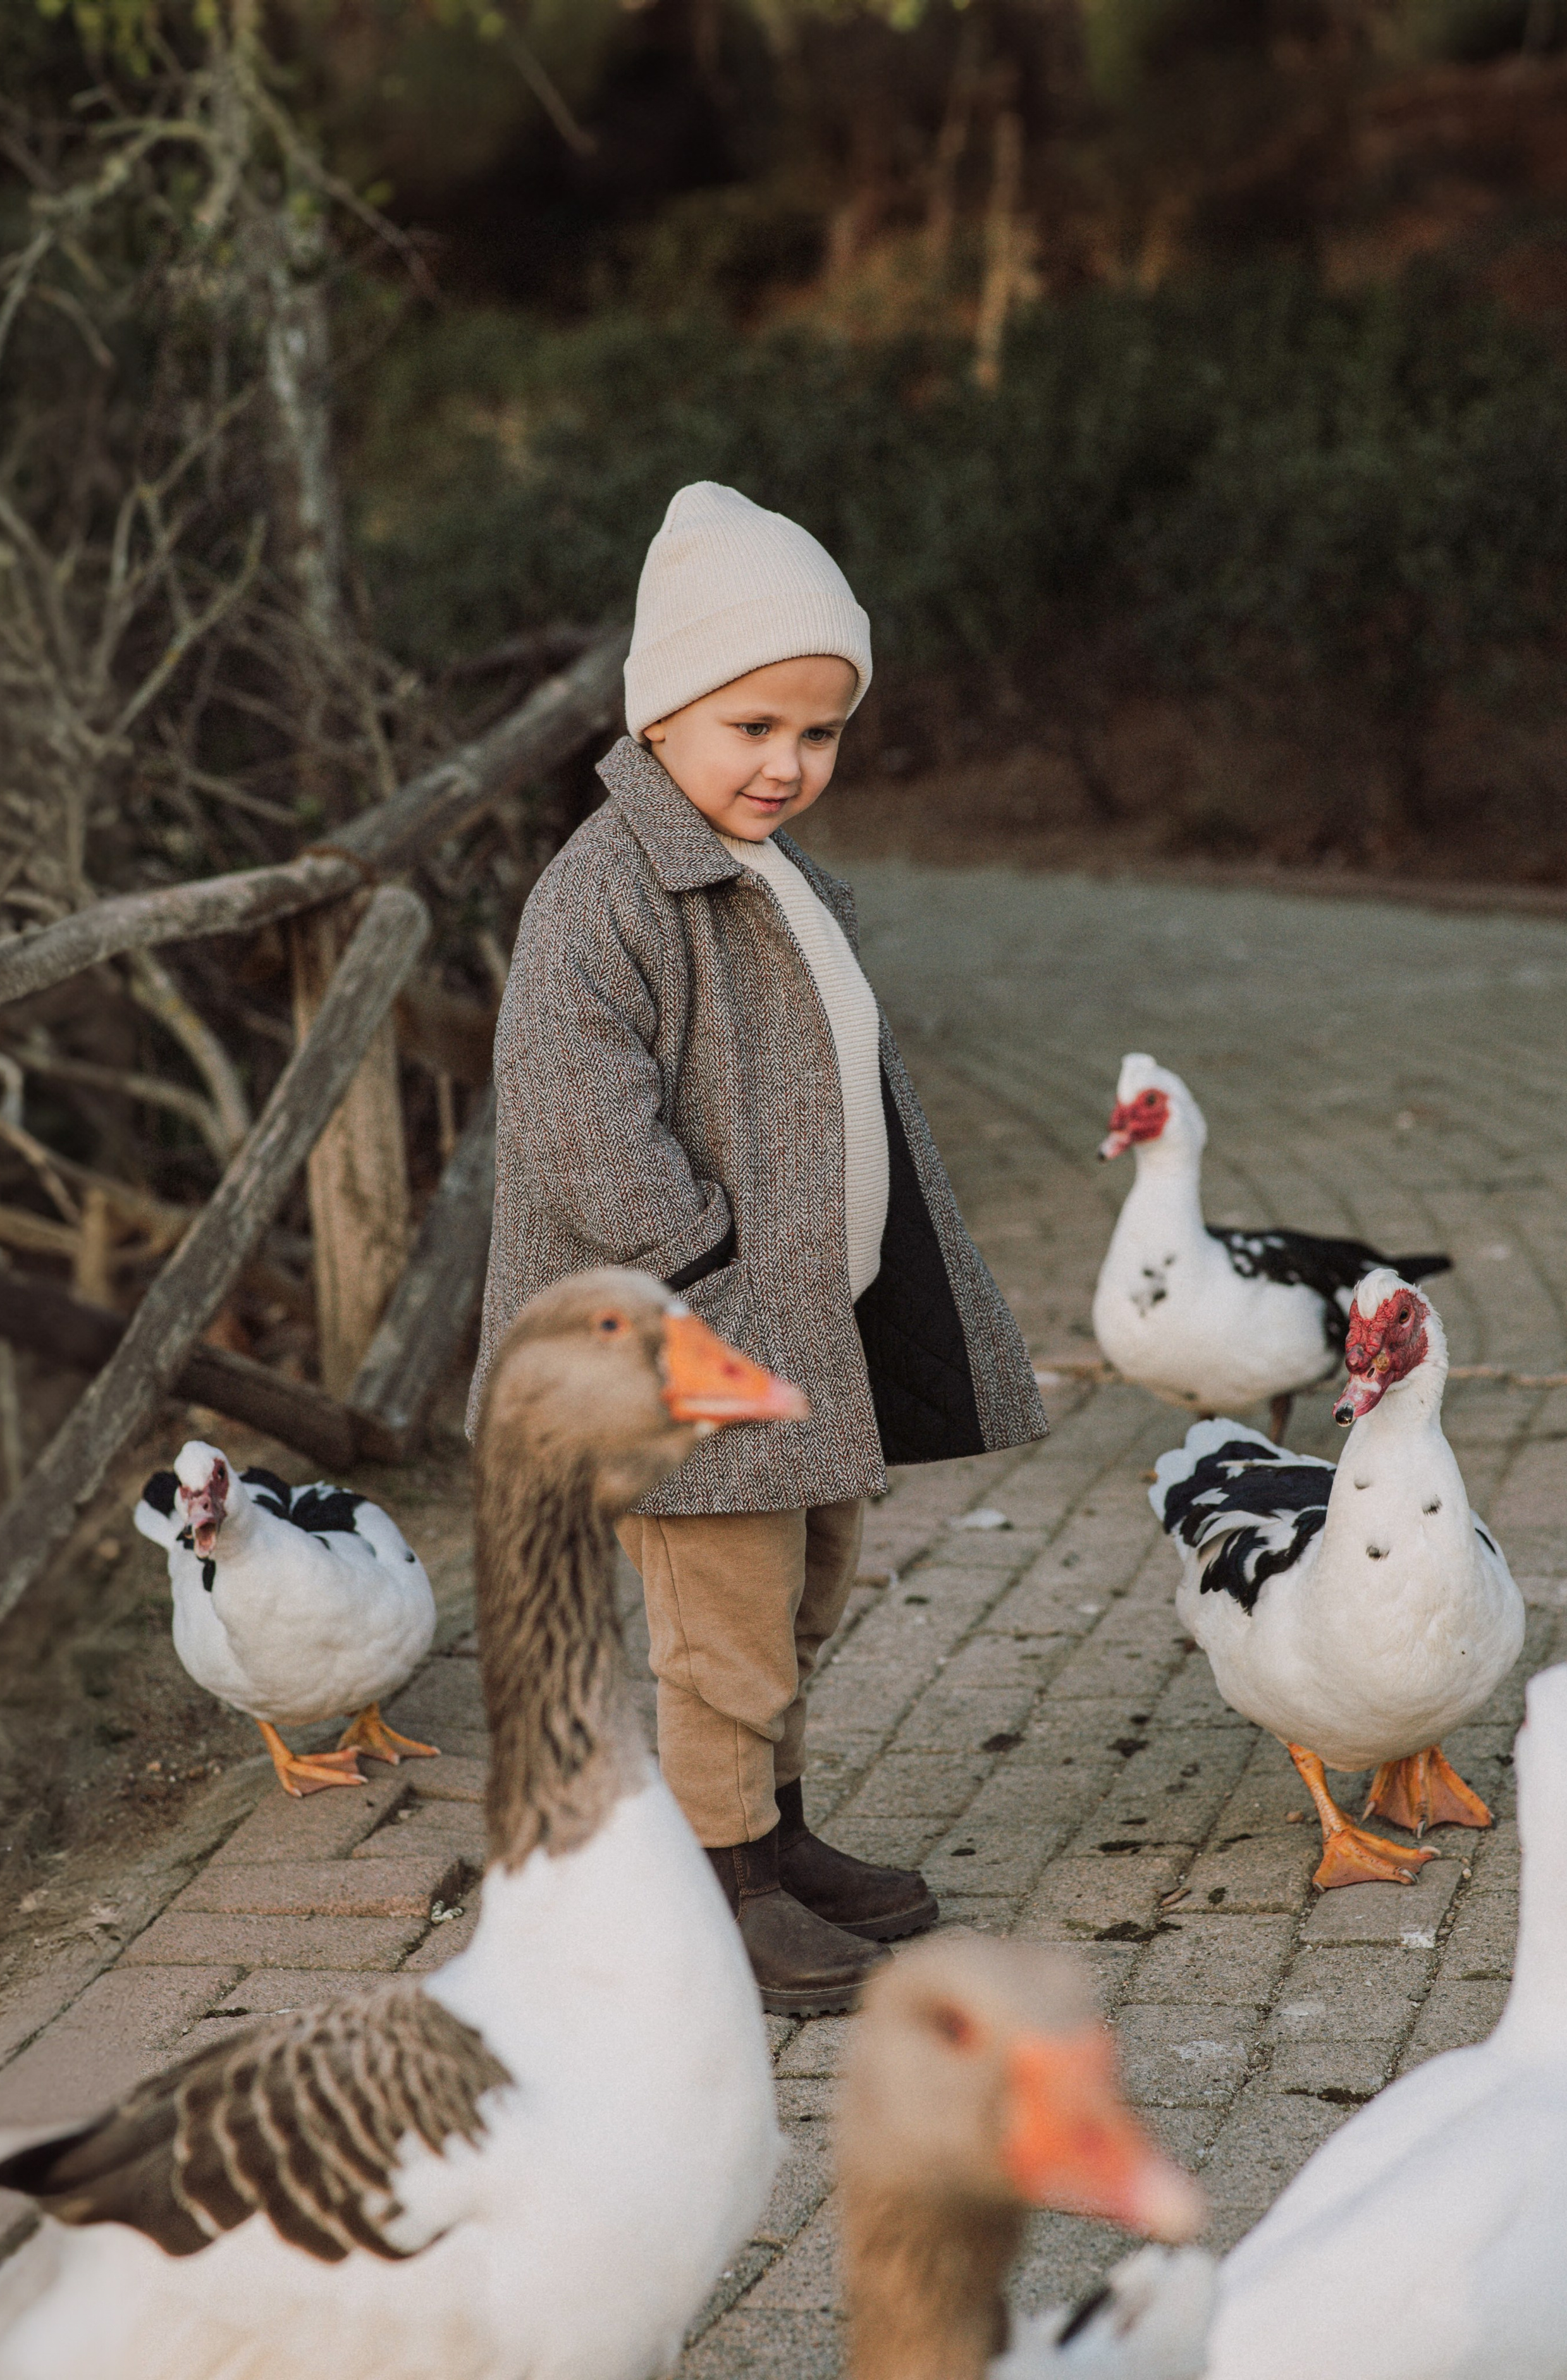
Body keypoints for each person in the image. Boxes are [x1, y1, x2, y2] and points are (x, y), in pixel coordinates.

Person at [469, 482, 1045, 2014]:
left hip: (807, 1326)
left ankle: (771, 1835)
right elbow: (577, 1112)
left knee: (795, 1596)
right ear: (661, 714)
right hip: (688, 1339)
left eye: (819, 732)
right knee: (719, 1619)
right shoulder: (605, 892)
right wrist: (701, 1253)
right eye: (753, 728)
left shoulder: (772, 875)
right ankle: (716, 1882)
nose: (787, 764)